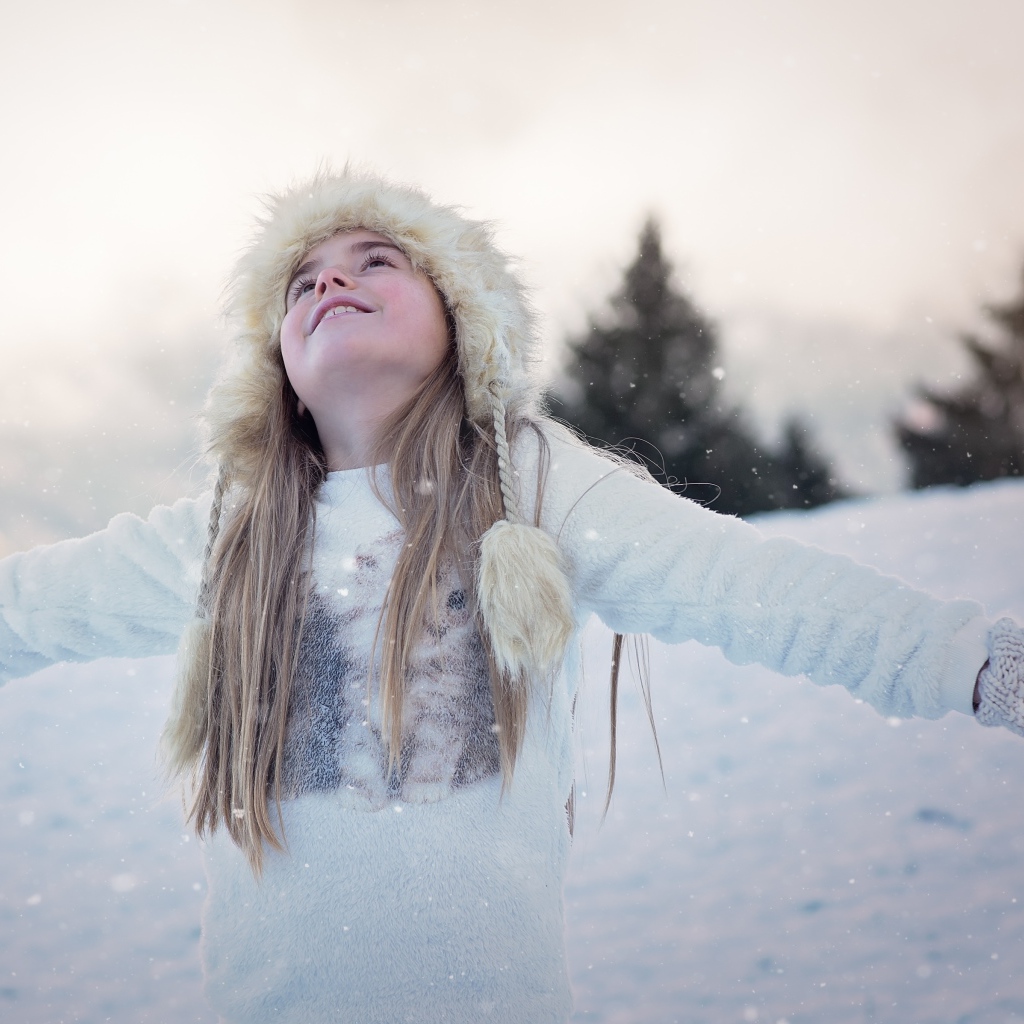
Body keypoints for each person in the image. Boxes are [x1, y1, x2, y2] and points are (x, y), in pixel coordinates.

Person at [0, 168, 1022, 1024]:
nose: (330, 284)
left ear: (461, 316)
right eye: (301, 280)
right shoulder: (234, 531)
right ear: (277, 369)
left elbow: (754, 588)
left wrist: (977, 659)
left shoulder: (530, 485)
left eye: (375, 262)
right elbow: (33, 606)